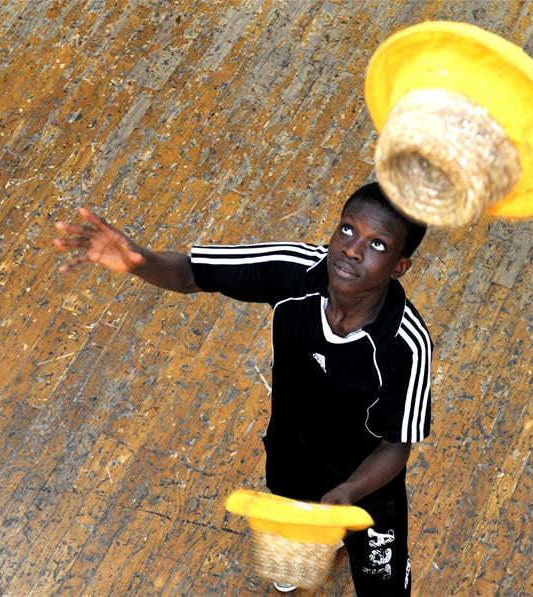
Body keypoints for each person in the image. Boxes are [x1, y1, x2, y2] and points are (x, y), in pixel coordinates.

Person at [52, 182, 431, 595]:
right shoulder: (292, 270)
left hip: (367, 484)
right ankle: (313, 535)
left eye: (377, 245)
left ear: (400, 266)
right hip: (292, 457)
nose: (352, 249)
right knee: (292, 554)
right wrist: (136, 260)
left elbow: (396, 445)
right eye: (347, 230)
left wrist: (349, 492)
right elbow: (189, 274)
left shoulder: (405, 344)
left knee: (385, 590)